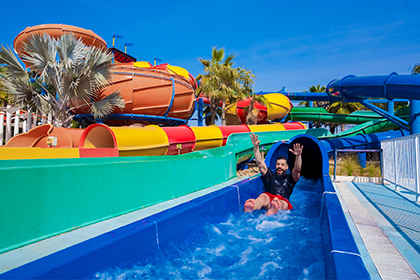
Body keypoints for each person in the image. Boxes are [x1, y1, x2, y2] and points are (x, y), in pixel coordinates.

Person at [244, 133, 303, 215]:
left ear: (286, 167)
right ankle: (252, 206)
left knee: (282, 203)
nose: (279, 166)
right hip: (268, 197)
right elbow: (260, 162)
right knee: (263, 198)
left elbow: (297, 169)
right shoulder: (269, 174)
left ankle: (274, 208)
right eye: (278, 164)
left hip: (282, 199)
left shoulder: (290, 179)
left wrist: (298, 156)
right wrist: (256, 147)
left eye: (282, 165)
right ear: (275, 165)